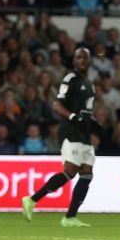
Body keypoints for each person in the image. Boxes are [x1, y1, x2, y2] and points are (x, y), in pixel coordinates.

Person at [22, 48, 100, 227]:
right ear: (74, 61)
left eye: (85, 57)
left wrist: (93, 124)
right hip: (70, 131)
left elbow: (86, 110)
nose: (82, 60)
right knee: (71, 171)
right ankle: (31, 200)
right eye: (78, 57)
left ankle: (70, 217)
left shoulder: (90, 84)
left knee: (87, 174)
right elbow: (57, 105)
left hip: (84, 133)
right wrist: (72, 117)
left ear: (89, 61)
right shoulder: (70, 79)